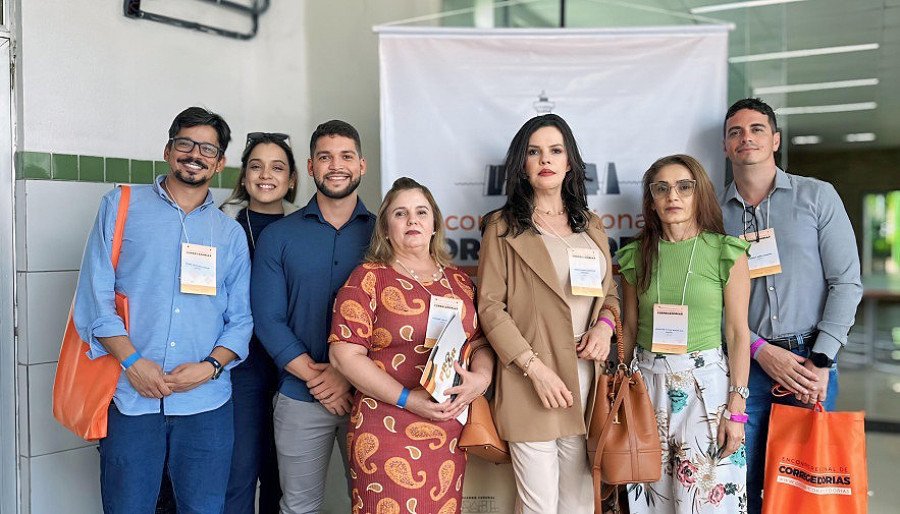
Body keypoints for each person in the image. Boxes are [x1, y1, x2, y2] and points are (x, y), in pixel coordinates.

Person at [73, 106, 252, 514]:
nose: (195, 154)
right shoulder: (121, 206)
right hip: (131, 398)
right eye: (185, 143)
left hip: (207, 404)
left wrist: (209, 366)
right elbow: (94, 298)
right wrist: (134, 362)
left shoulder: (228, 234)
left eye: (208, 148)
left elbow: (240, 321)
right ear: (169, 150)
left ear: (221, 162)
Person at [719, 98, 863, 514]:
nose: (746, 137)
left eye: (757, 129)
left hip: (809, 365)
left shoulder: (817, 197)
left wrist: (820, 360)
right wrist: (759, 350)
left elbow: (846, 282)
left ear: (775, 140)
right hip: (744, 366)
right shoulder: (712, 216)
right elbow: (710, 301)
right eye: (735, 132)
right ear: (727, 147)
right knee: (742, 482)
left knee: (802, 488)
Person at [477, 114, 619, 514]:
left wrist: (606, 327)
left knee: (579, 505)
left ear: (569, 162)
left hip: (586, 382)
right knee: (538, 507)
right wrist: (534, 369)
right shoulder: (502, 228)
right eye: (534, 151)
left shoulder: (589, 225)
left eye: (556, 151)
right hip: (530, 381)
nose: (546, 159)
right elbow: (490, 307)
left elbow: (609, 292)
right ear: (521, 164)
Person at [328, 177, 495, 514]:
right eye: (400, 213)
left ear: (434, 224)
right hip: (385, 428)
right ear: (386, 229)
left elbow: (478, 342)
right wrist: (407, 399)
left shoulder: (459, 280)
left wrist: (482, 379)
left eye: (421, 212)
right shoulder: (369, 277)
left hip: (447, 428)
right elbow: (343, 355)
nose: (412, 220)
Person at [251, 120, 375, 513]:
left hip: (373, 396)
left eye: (345, 156)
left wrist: (347, 373)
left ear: (361, 166)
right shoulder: (279, 236)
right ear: (309, 167)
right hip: (301, 396)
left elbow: (394, 316)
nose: (335, 165)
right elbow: (268, 318)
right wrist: (319, 377)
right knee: (299, 507)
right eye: (325, 157)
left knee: (376, 504)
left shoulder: (383, 235)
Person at [616, 154, 751, 513]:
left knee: (707, 500)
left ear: (699, 193)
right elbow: (628, 328)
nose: (672, 196)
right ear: (652, 199)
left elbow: (738, 333)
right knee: (651, 500)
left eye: (683, 187)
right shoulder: (634, 256)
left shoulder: (727, 252)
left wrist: (736, 408)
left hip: (705, 388)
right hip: (646, 386)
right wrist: (616, 390)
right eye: (661, 188)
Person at [218, 132, 299, 513]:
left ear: (293, 179)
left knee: (282, 476)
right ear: (244, 174)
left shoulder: (304, 229)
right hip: (241, 367)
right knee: (238, 471)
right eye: (256, 165)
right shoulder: (222, 223)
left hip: (293, 365)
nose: (266, 175)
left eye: (278, 167)